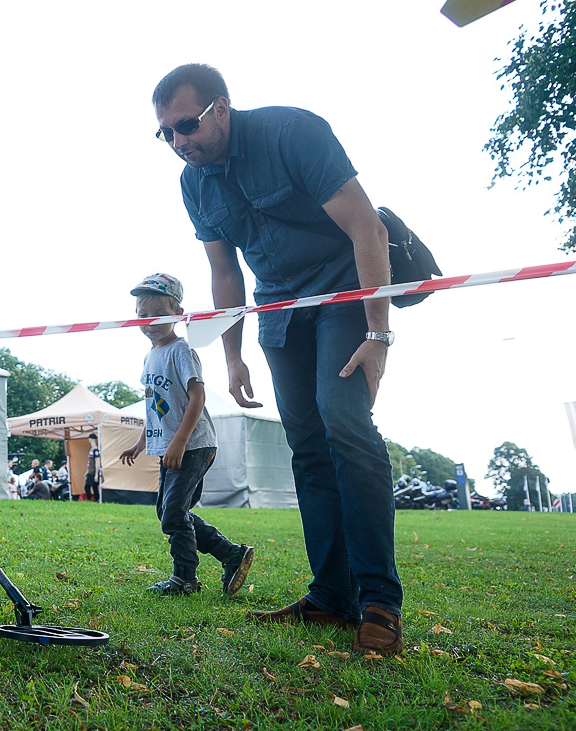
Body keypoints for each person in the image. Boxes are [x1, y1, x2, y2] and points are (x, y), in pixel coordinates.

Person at [152, 64, 402, 653]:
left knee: (343, 421)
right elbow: (222, 272)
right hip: (277, 311)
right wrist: (232, 356)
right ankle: (330, 599)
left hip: (345, 295)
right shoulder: (194, 184)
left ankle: (380, 604)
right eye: (165, 133)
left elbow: (368, 227)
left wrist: (379, 333)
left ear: (222, 107)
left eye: (186, 124)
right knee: (308, 447)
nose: (179, 141)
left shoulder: (293, 133)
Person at [119, 274, 254, 598]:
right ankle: (231, 554)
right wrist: (142, 441)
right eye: (143, 315)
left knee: (174, 512)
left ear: (178, 312)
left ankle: (185, 579)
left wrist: (179, 441)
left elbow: (197, 397)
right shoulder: (150, 356)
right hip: (170, 446)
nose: (149, 322)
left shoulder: (181, 351)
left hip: (194, 445)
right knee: (169, 512)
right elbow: (156, 406)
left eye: (158, 314)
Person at [84, 433, 101, 502]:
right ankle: (94, 499)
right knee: (91, 487)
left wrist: (96, 474)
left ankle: (92, 499)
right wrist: (87, 471)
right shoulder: (92, 449)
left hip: (93, 472)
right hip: (90, 471)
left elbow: (97, 462)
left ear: (91, 439)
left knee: (89, 487)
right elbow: (89, 462)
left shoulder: (95, 450)